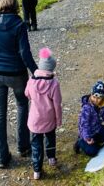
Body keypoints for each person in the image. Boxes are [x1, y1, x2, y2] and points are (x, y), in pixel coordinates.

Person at [0, 0, 38, 169]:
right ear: (16, 6)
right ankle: (23, 147)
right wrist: (36, 72)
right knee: (22, 106)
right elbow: (25, 53)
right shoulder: (19, 24)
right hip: (16, 73)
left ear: (1, 5)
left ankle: (2, 158)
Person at [25, 47, 62, 180]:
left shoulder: (31, 80)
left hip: (35, 121)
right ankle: (51, 158)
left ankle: (37, 171)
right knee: (50, 139)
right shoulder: (54, 84)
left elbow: (27, 94)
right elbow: (57, 104)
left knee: (36, 145)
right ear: (51, 68)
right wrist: (58, 120)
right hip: (49, 120)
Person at [74, 80, 104, 157]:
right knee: (93, 152)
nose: (96, 100)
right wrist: (87, 138)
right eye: (94, 97)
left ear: (102, 97)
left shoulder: (102, 106)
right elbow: (84, 125)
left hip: (97, 129)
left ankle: (95, 141)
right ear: (91, 95)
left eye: (99, 98)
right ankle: (80, 142)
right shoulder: (86, 108)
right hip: (87, 132)